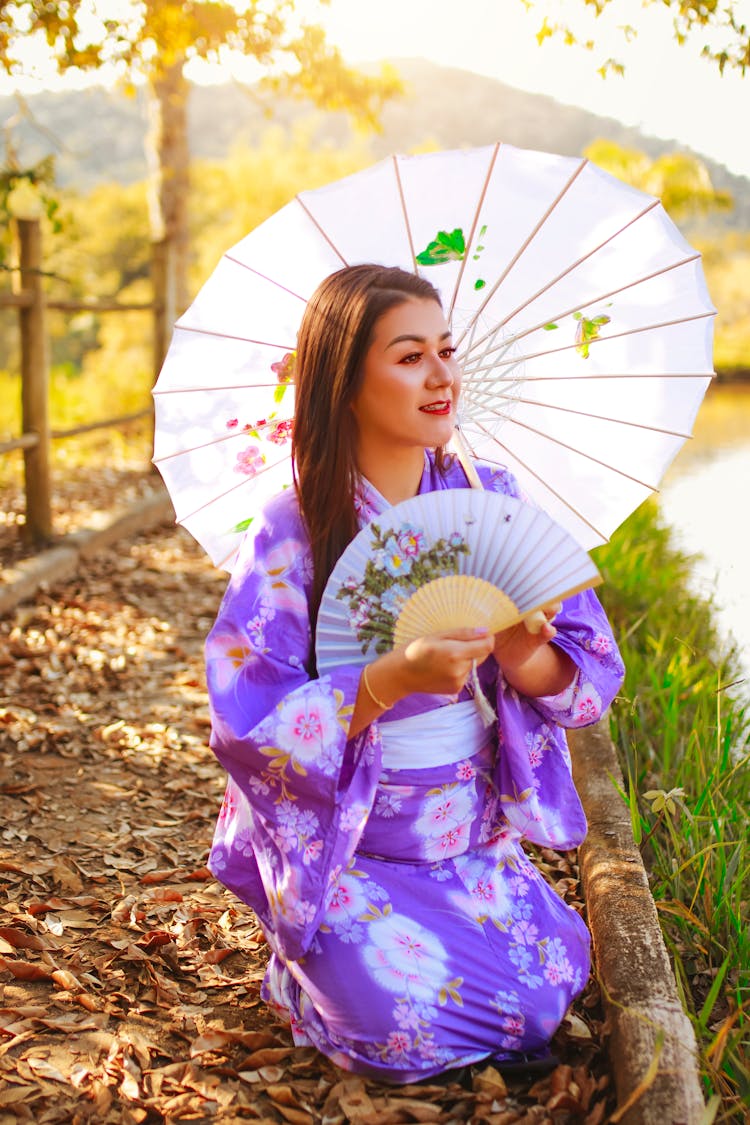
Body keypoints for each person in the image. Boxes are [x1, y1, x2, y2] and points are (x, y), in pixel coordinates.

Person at [205, 264, 625, 1083]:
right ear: (345, 383)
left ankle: (383, 958)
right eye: (409, 357)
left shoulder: (486, 495)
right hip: (352, 847)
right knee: (395, 1032)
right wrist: (391, 678)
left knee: (545, 1002)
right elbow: (244, 716)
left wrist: (516, 650)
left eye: (447, 349)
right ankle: (304, 976)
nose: (442, 377)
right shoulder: (295, 530)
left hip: (465, 837)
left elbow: (586, 678)